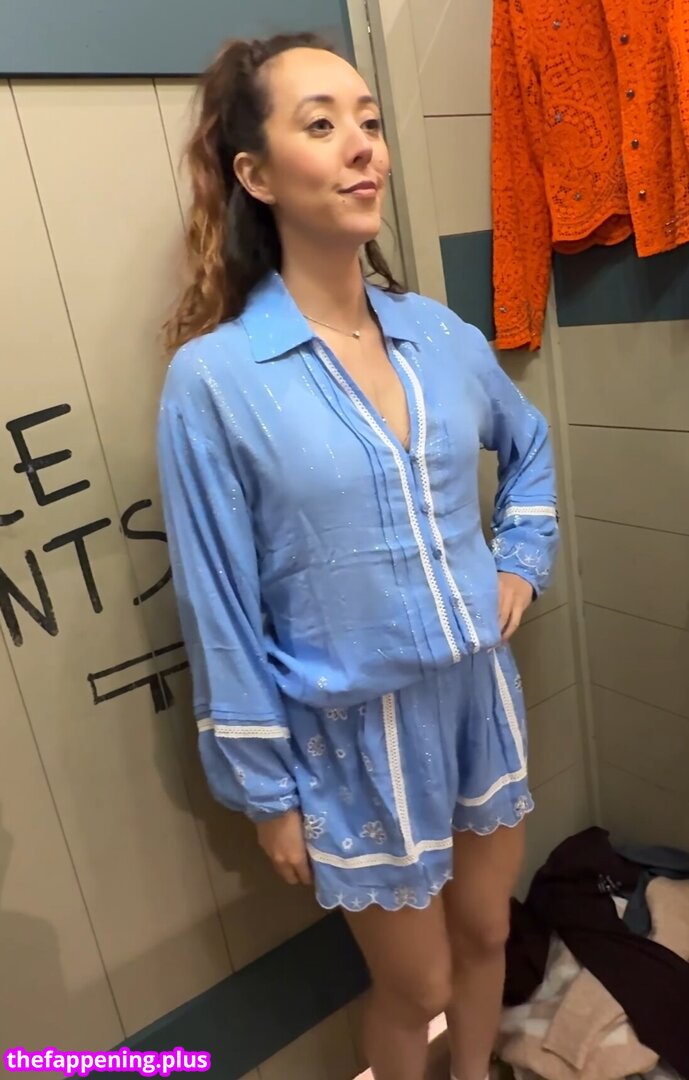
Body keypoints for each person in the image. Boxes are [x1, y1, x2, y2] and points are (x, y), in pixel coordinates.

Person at [156, 32, 559, 1080]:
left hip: (478, 698)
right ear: (255, 174)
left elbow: (528, 446)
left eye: (369, 121)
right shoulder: (216, 381)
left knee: (488, 934)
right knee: (415, 986)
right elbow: (217, 605)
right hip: (350, 736)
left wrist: (518, 561)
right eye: (322, 124)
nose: (361, 146)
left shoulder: (439, 336)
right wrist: (267, 793)